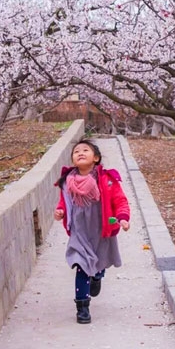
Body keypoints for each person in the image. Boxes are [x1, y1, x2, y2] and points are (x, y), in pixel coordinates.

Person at [53, 139, 130, 324]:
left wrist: (123, 217)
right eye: (76, 151)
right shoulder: (67, 182)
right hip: (79, 232)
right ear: (72, 159)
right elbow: (64, 203)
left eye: (85, 150)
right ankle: (82, 307)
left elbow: (120, 200)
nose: (80, 153)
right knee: (81, 266)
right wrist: (60, 212)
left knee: (97, 263)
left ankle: (97, 276)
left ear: (95, 158)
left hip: (100, 230)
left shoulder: (106, 180)